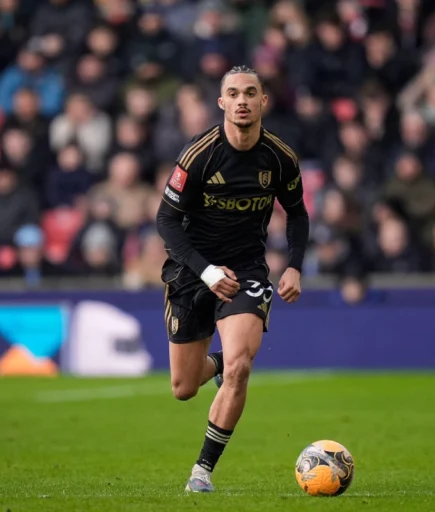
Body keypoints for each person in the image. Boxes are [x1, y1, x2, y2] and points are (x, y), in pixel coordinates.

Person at [155, 65, 309, 493]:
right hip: (194, 270)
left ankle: (202, 471)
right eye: (234, 94)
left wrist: (294, 264)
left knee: (242, 364)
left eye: (250, 93)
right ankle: (219, 364)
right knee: (184, 388)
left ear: (263, 102)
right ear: (221, 103)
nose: (242, 100)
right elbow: (166, 219)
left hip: (246, 271)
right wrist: (204, 271)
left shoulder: (280, 157)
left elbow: (296, 212)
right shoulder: (199, 154)